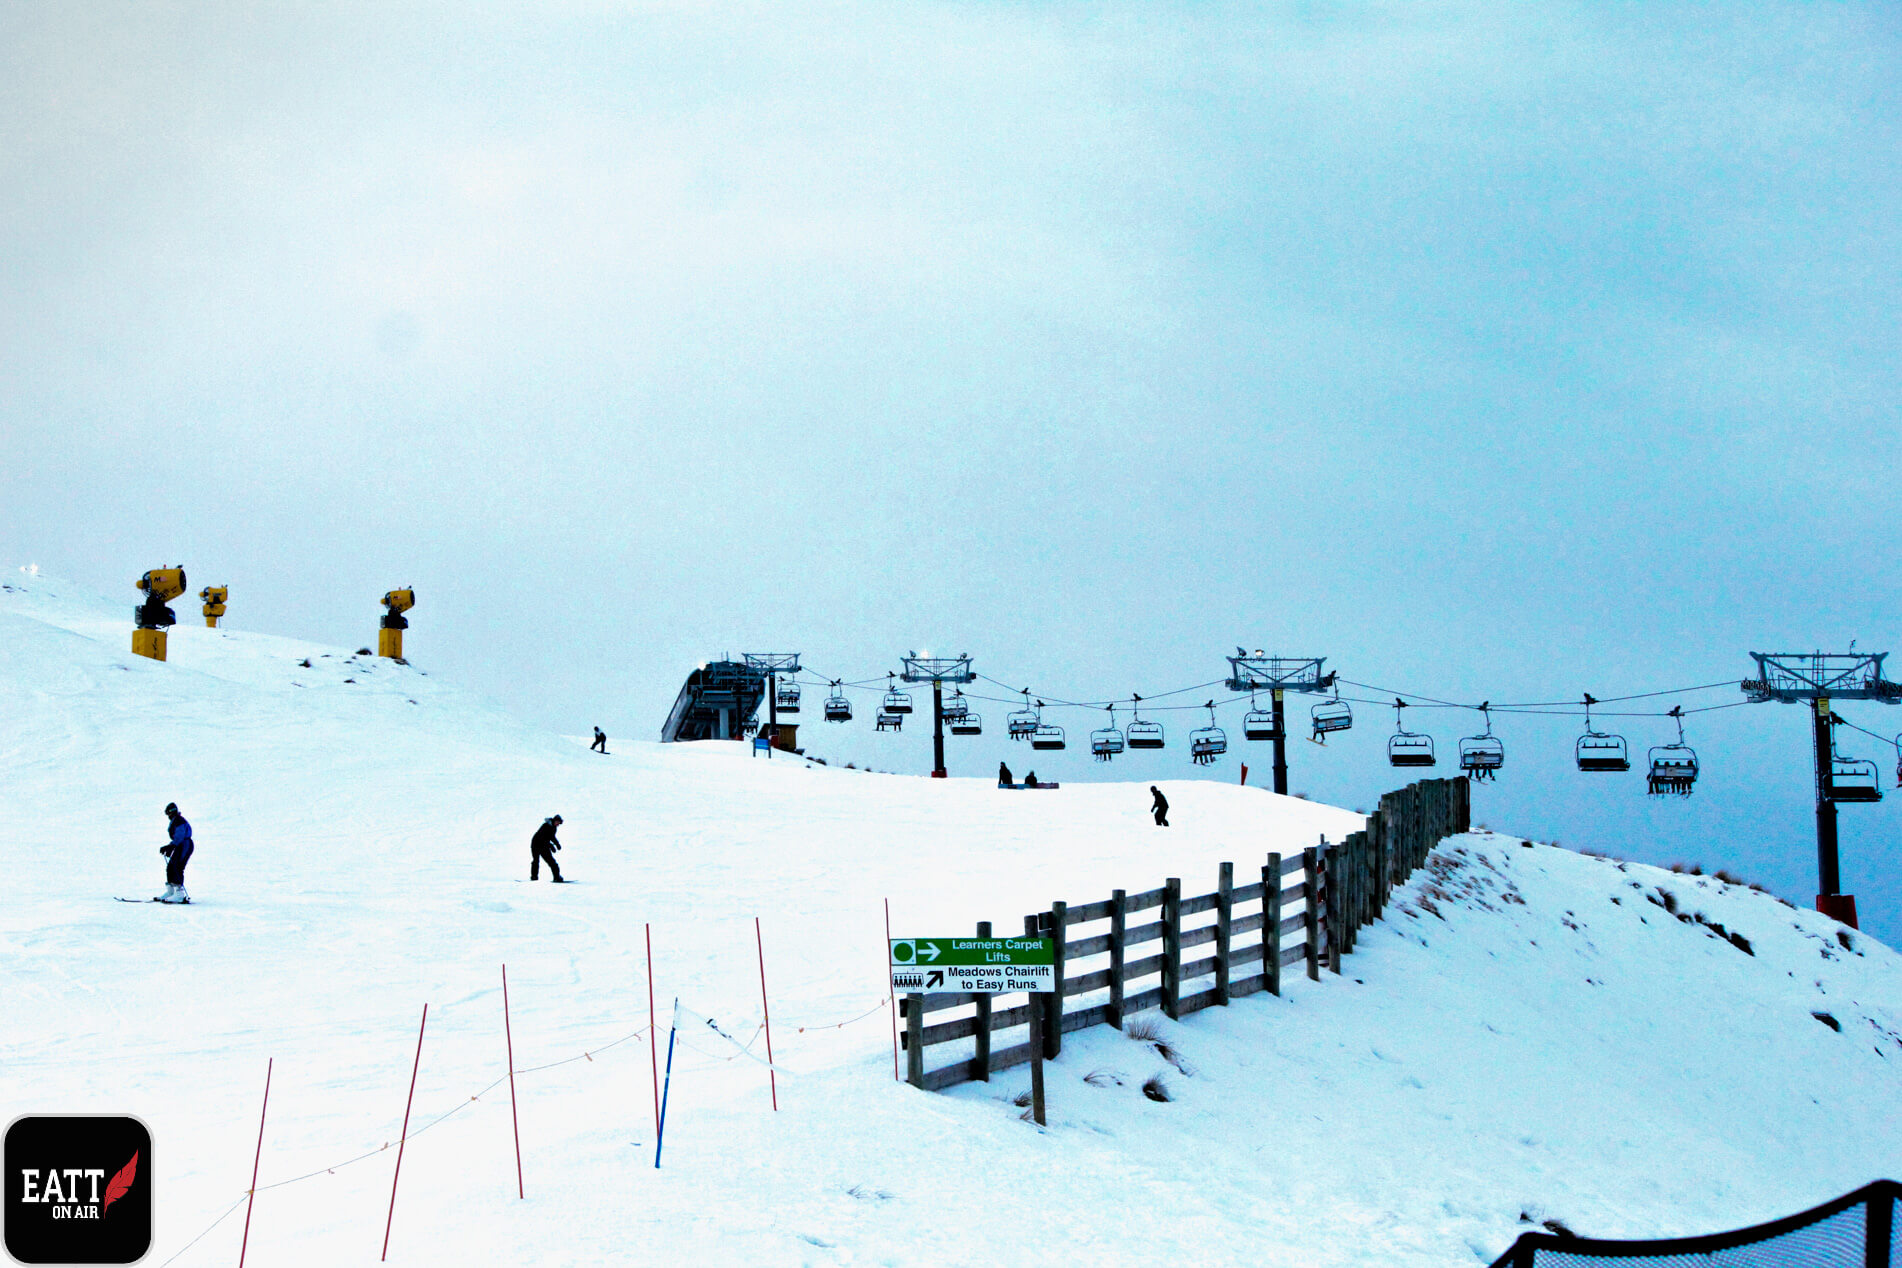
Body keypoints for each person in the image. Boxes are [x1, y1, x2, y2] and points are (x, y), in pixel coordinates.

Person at [158, 803, 193, 902]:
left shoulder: (179, 821)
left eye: (168, 814)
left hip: (185, 845)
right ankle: (171, 892)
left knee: (178, 867)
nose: (167, 816)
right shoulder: (175, 820)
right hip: (180, 845)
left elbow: (180, 836)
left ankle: (179, 894)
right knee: (170, 867)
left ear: (171, 812)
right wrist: (170, 847)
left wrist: (171, 846)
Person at [530, 815, 566, 882]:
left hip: (544, 846)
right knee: (536, 861)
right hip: (536, 844)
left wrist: (557, 844)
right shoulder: (545, 826)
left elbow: (552, 837)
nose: (558, 824)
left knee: (552, 862)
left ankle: (557, 877)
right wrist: (551, 846)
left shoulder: (554, 828)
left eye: (559, 823)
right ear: (554, 820)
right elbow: (542, 838)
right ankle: (534, 877)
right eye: (557, 822)